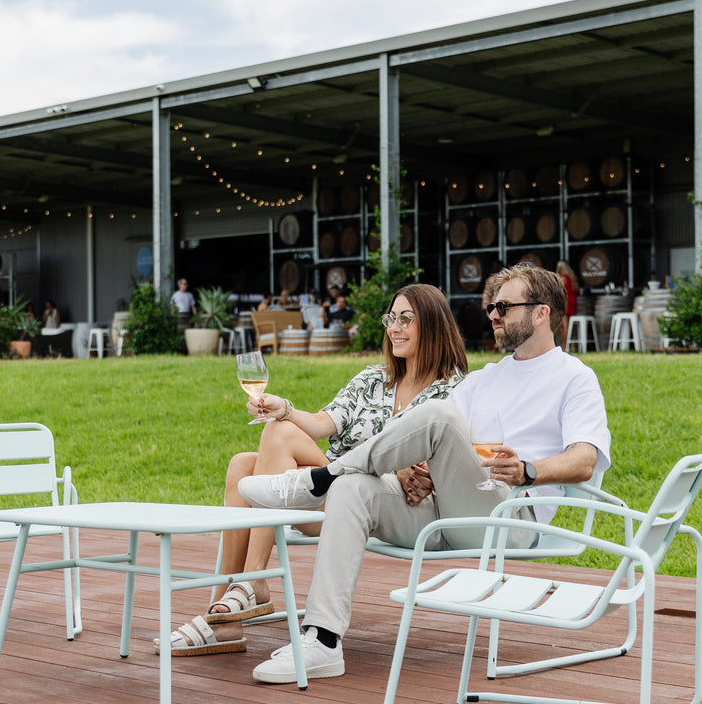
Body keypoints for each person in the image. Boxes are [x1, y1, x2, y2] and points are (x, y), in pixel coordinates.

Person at [238, 263, 610, 682]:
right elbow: (441, 445)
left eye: (504, 307)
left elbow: (584, 459)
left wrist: (526, 470)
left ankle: (321, 479)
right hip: (441, 508)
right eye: (492, 307)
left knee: (437, 413)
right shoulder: (486, 379)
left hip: (508, 516)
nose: (493, 315)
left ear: (541, 312)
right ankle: (322, 641)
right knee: (355, 490)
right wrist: (420, 470)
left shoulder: (575, 378)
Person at [166, 282, 468, 656]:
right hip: (326, 486)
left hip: (376, 499)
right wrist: (285, 408)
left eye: (408, 319)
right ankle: (233, 601)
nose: (395, 327)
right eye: (392, 318)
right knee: (243, 463)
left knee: (261, 454)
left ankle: (244, 593)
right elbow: (324, 422)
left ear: (435, 325)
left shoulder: (453, 392)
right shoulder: (374, 379)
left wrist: (422, 475)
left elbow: (458, 465)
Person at [556, 259, 578, 345]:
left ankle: (564, 346)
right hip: (572, 301)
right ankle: (565, 345)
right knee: (565, 325)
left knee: (563, 326)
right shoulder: (571, 277)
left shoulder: (562, 278)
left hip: (565, 302)